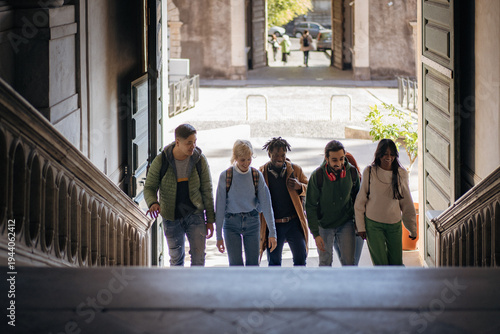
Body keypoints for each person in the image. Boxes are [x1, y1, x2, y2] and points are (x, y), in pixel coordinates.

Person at [144, 124, 215, 266]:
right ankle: (178, 288)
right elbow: (149, 187)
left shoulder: (199, 160)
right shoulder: (161, 160)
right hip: (171, 218)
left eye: (195, 142)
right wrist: (153, 202)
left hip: (195, 214)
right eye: (189, 143)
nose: (193, 146)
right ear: (177, 142)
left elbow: (207, 190)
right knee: (176, 260)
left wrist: (210, 220)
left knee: (199, 258)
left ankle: (197, 288)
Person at [354, 139, 417, 265]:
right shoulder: (370, 171)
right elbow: (360, 202)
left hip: (394, 224)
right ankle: (383, 285)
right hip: (373, 225)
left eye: (392, 154)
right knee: (380, 264)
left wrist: (412, 228)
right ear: (379, 154)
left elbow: (407, 203)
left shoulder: (401, 174)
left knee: (396, 263)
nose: (388, 157)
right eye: (385, 154)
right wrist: (361, 227)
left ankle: (397, 285)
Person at [215, 139, 277, 266]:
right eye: (242, 160)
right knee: (236, 265)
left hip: (252, 221)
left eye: (249, 159)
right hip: (231, 223)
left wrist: (272, 232)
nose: (246, 163)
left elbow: (266, 204)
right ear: (235, 158)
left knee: (253, 265)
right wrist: (218, 236)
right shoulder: (226, 176)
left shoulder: (256, 175)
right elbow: (220, 207)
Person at [305, 140, 360, 266]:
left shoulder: (352, 173)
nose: (339, 163)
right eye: (334, 160)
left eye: (342, 159)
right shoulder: (317, 176)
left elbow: (358, 199)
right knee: (325, 261)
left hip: (345, 222)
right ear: (326, 158)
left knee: (349, 262)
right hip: (324, 225)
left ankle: (348, 286)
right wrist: (316, 234)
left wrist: (358, 223)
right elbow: (310, 206)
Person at [259, 137, 308, 266]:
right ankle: (276, 286)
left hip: (294, 223)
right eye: (275, 155)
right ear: (269, 154)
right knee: (274, 262)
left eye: (283, 155)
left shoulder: (295, 170)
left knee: (301, 259)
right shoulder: (261, 173)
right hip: (273, 226)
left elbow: (310, 189)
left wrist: (300, 187)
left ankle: (299, 285)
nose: (280, 158)